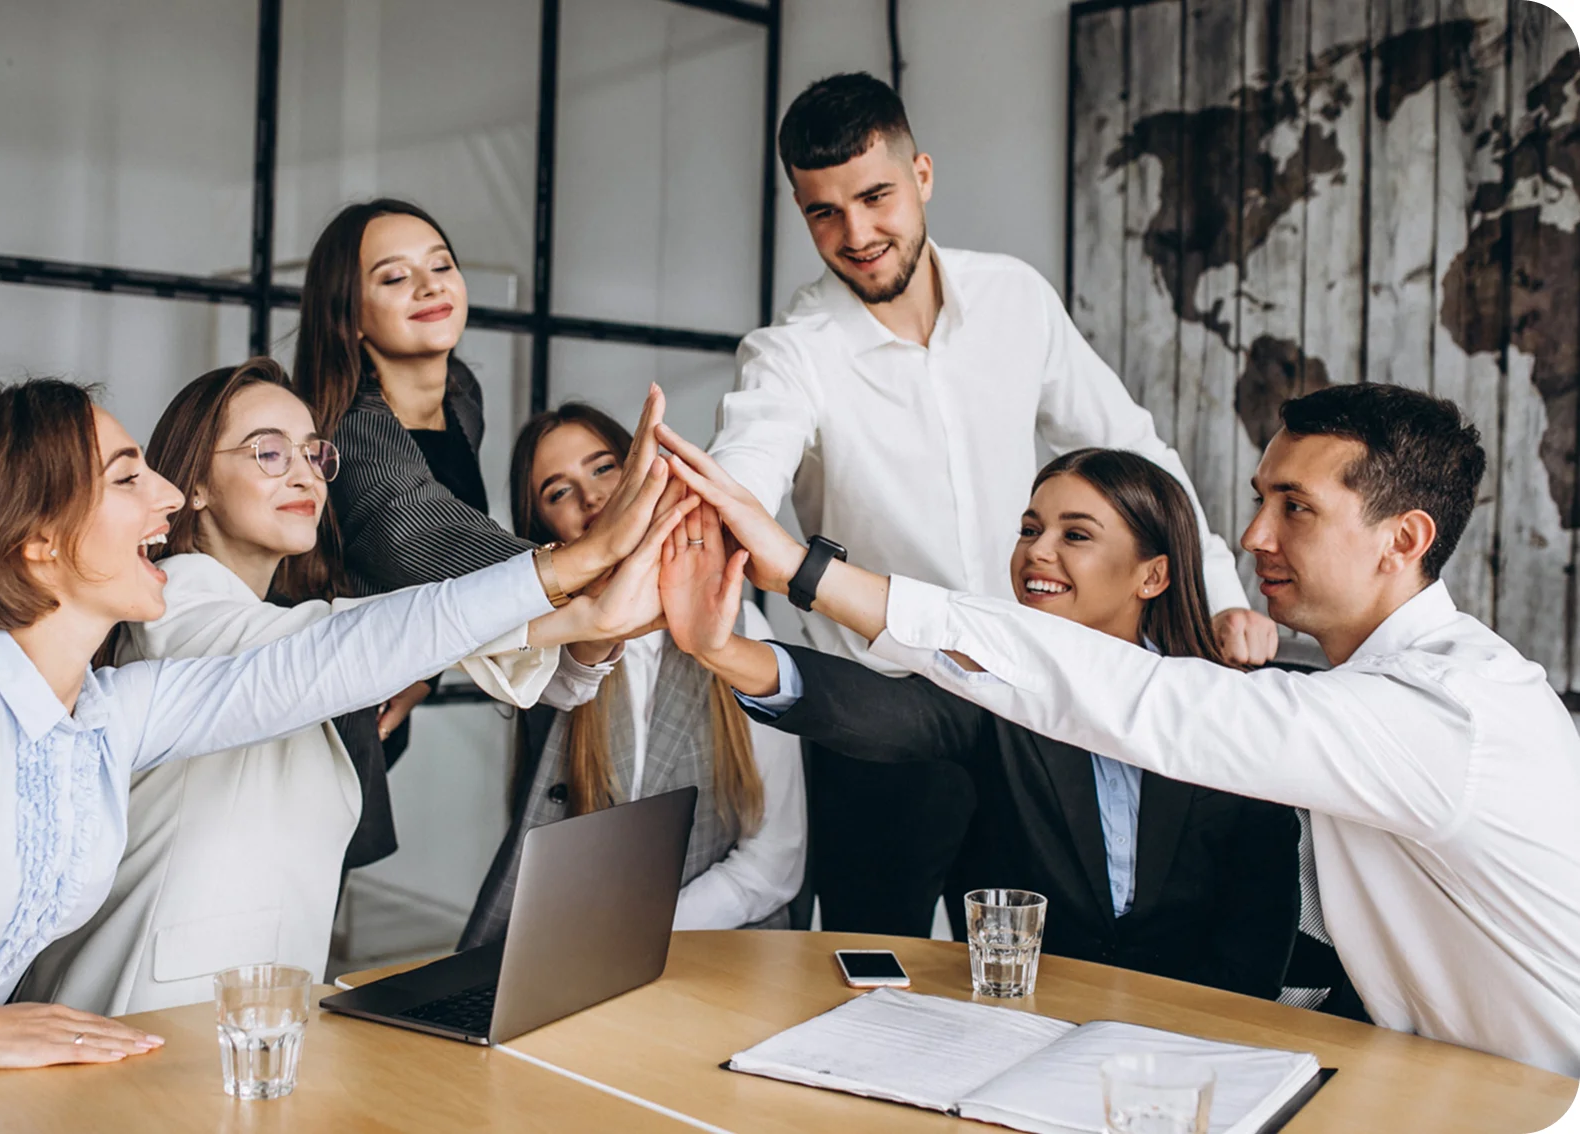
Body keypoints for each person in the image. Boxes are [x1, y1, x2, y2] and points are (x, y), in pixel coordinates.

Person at [0, 377, 687, 1076]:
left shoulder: (106, 715)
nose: (165, 496)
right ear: (36, 540)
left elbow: (323, 660)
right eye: (128, 479)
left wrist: (576, 595)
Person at [658, 383, 1580, 1076]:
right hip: (1444, 1080)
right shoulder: (1370, 692)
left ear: (1404, 538)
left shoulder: (1440, 713)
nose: (1254, 537)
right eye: (1259, 499)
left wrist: (801, 571)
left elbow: (1135, 699)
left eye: (1295, 506)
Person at [703, 72, 1278, 936]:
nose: (857, 235)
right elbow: (743, 470)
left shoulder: (1016, 298)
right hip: (879, 721)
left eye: (876, 196)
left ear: (922, 175)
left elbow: (1137, 449)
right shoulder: (792, 354)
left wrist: (1223, 597)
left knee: (1035, 971)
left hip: (1024, 711)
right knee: (871, 974)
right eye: (824, 212)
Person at [18, 361, 647, 1015]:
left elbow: (549, 683)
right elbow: (336, 648)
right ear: (194, 484)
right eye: (268, 451)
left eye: (314, 453)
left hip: (255, 1038)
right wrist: (572, 578)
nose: (303, 474)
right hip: (136, 1026)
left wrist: (594, 625)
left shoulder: (292, 622)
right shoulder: (176, 607)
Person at [661, 448, 1299, 997]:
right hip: (1022, 1024)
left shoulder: (1224, 709)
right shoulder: (998, 688)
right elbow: (882, 712)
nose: (1036, 553)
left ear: (1152, 574)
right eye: (1029, 530)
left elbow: (1259, 927)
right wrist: (722, 649)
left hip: (1194, 1045)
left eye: (1075, 535)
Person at [293, 198, 641, 877]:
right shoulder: (348, 430)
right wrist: (590, 562)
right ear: (348, 313)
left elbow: (436, 564)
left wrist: (421, 672)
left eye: (441, 265)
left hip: (382, 692)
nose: (429, 287)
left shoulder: (461, 394)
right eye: (393, 278)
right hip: (313, 703)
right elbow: (425, 535)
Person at [457, 404, 806, 948]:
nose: (591, 498)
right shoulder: (549, 652)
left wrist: (635, 932)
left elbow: (775, 860)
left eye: (603, 468)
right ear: (542, 529)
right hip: (574, 945)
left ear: (645, 471)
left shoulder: (740, 627)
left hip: (719, 948)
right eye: (558, 492)